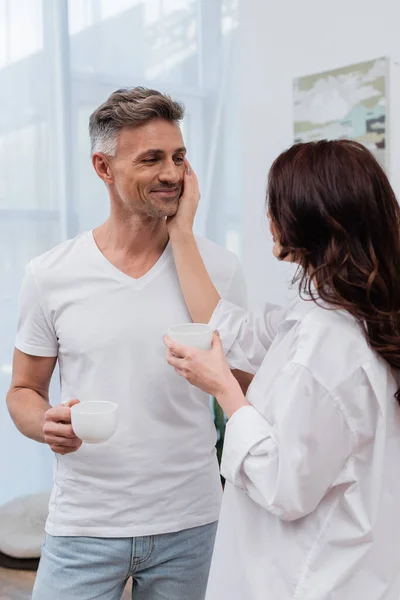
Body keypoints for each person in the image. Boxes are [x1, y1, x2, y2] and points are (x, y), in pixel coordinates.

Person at [6, 87, 249, 600]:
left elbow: (247, 389)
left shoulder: (219, 270)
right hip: (83, 525)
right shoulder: (51, 274)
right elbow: (24, 389)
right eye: (152, 159)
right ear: (103, 167)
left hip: (193, 523)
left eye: (179, 156)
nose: (171, 173)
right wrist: (44, 424)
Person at [164, 140, 400, 600]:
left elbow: (284, 486)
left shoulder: (329, 345)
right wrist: (182, 234)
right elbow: (234, 330)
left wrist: (225, 389)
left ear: (307, 218)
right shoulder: (343, 313)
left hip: (315, 581)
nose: (268, 218)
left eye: (274, 205)